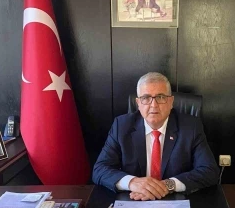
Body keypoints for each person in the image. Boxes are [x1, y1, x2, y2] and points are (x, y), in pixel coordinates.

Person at [93, 73, 219, 201]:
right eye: (146, 98)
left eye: (160, 97)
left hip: (174, 199)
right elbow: (100, 169)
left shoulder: (191, 127)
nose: (153, 105)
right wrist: (132, 182)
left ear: (171, 102)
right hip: (134, 198)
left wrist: (168, 185)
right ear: (138, 103)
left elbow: (209, 171)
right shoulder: (121, 126)